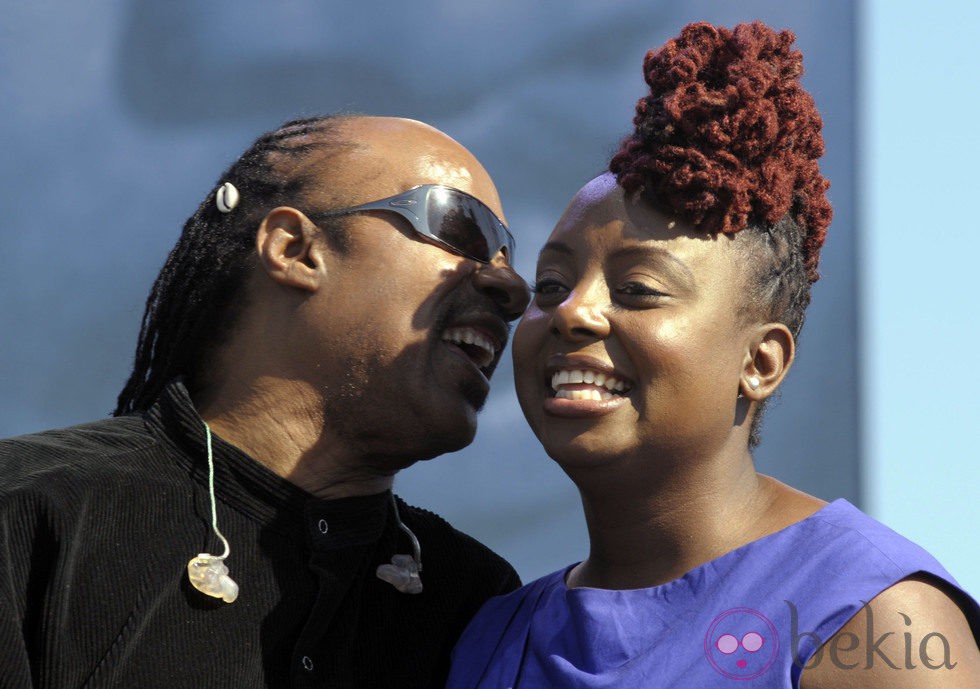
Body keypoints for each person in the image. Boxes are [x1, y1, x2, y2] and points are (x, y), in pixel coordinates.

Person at [447, 22, 980, 689]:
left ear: (760, 362)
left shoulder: (869, 618)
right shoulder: (492, 639)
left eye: (637, 289)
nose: (572, 312)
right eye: (550, 284)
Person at [0, 115, 530, 688]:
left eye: (508, 254)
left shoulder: (476, 602)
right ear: (295, 249)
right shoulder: (31, 512)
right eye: (461, 228)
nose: (512, 289)